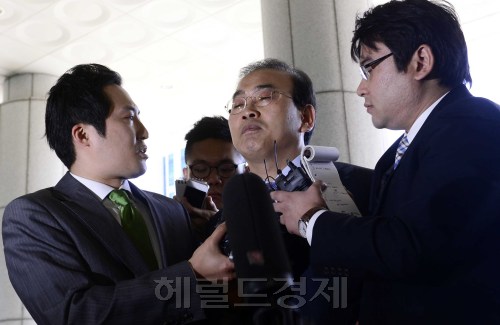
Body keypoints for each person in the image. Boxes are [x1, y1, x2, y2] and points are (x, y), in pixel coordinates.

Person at [272, 0, 500, 324]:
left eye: (370, 68)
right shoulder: (395, 154)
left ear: (420, 61)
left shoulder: (474, 124)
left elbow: (416, 246)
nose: (361, 88)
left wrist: (311, 220)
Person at [2, 63, 234, 325]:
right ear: (83, 135)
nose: (144, 131)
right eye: (129, 118)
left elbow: (215, 301)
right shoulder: (35, 217)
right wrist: (191, 275)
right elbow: (74, 315)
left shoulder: (172, 211)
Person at [226, 58, 373, 324]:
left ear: (305, 117)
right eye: (237, 105)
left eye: (264, 98)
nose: (247, 111)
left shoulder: (363, 186)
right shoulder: (220, 221)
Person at [176, 115, 246, 241]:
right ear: (186, 175)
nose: (213, 179)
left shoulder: (268, 217)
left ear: (246, 172)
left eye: (226, 169)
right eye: (200, 170)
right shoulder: (168, 224)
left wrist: (216, 226)